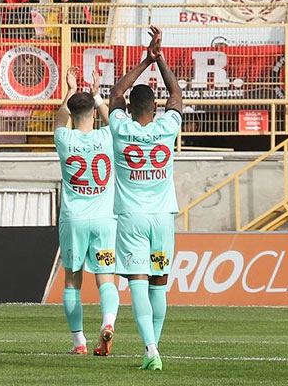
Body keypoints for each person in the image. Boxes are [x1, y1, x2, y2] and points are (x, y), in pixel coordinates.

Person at [107, 25, 182, 371]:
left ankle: (150, 349)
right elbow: (177, 95)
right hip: (162, 216)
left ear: (129, 108)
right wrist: (160, 58)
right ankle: (155, 347)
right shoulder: (166, 129)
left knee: (136, 281)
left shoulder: (121, 129)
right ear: (155, 108)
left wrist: (143, 61)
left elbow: (115, 92)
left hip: (132, 218)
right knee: (159, 284)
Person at [52, 68, 119, 355]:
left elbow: (58, 119)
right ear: (92, 111)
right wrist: (96, 93)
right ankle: (108, 322)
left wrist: (70, 89)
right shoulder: (107, 138)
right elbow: (112, 119)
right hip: (104, 219)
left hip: (74, 219)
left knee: (72, 280)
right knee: (105, 277)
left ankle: (78, 341)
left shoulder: (65, 139)